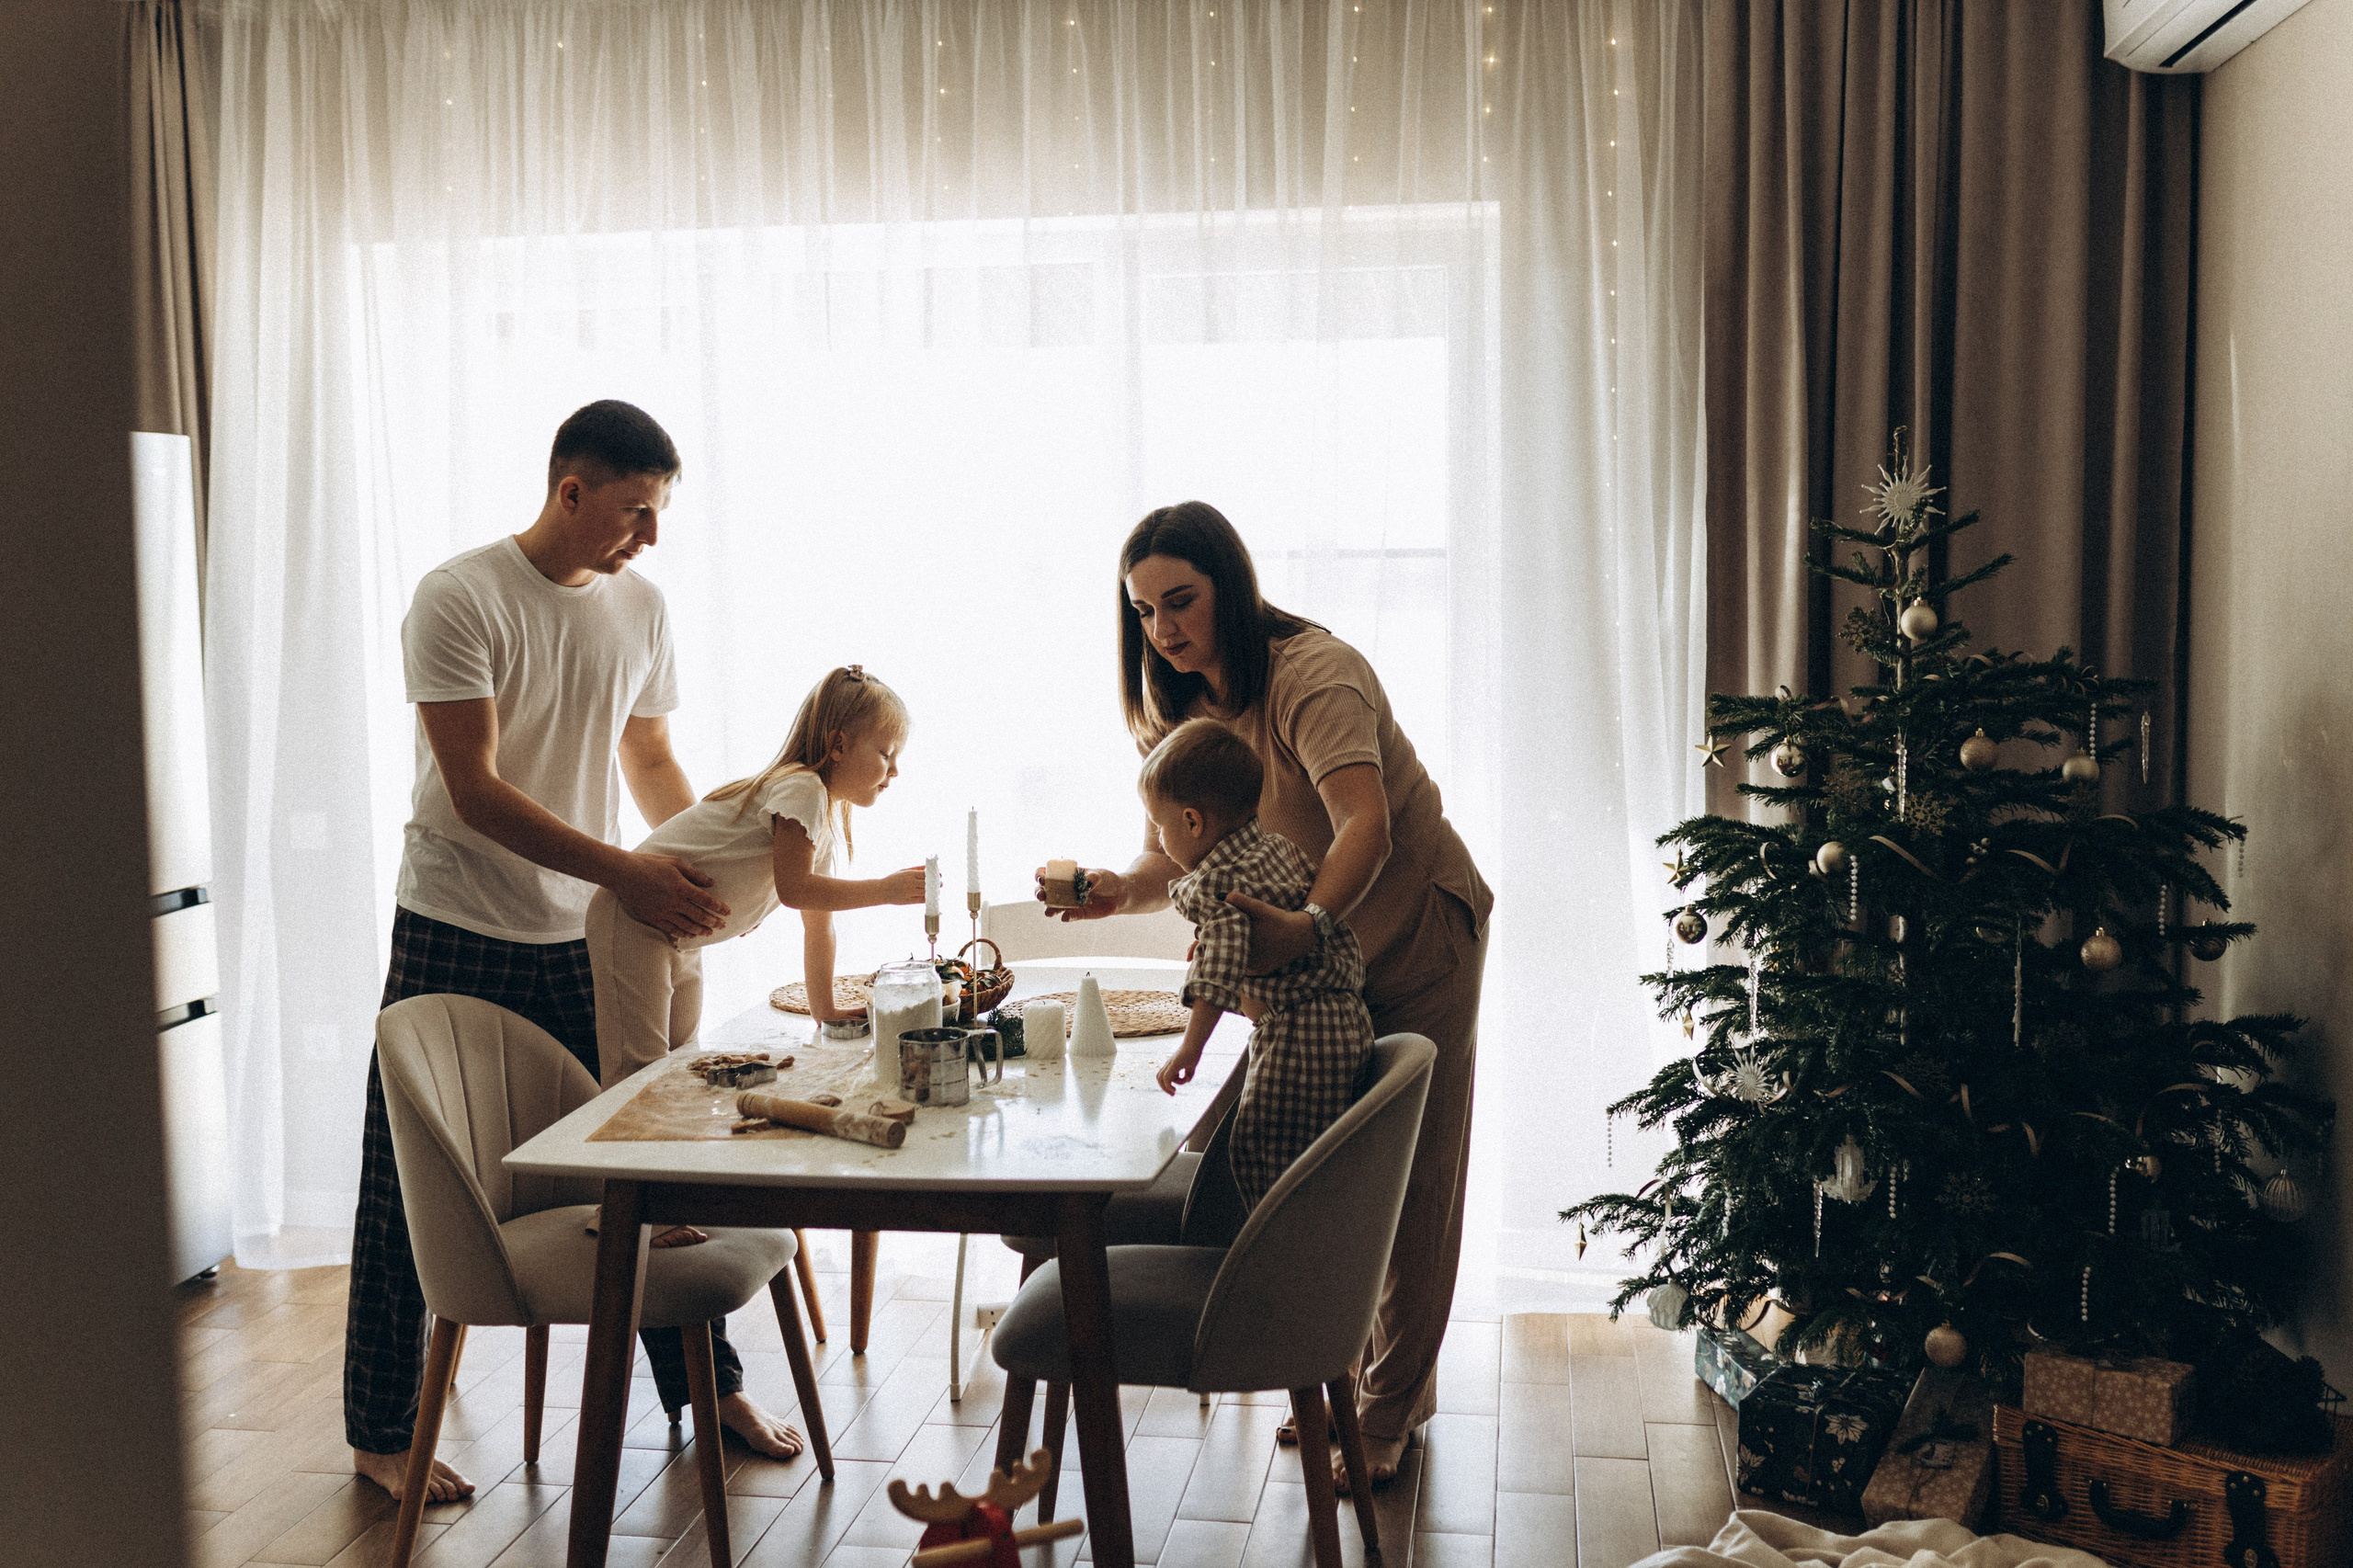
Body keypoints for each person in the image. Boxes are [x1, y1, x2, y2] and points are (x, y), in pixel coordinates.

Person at [347, 401, 800, 1504]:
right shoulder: (461, 596)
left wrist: (701, 871)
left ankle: (709, 1391)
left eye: (660, 513)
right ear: (571, 491)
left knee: (647, 1164)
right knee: (411, 1183)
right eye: (636, 511)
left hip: (591, 925)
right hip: (457, 919)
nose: (649, 536)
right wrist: (627, 873)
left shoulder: (641, 606)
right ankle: (379, 1429)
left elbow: (648, 756)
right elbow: (476, 790)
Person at [1048, 500, 1492, 1491]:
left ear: (1232, 589)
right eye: (1144, 611)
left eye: (1181, 601)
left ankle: (1384, 1411)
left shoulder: (1312, 674)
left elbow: (1363, 824)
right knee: (1319, 1172)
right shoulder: (1183, 699)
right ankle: (1343, 1377)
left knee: (1407, 1177)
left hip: (1416, 928)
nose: (1162, 628)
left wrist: (1312, 927)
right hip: (1318, 961)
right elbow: (1193, 842)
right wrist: (1120, 888)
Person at [585, 665, 926, 1114]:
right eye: (886, 753)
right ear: (838, 745)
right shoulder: (802, 787)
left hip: (682, 935)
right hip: (633, 918)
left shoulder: (821, 813)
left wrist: (824, 1010)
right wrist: (885, 890)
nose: (895, 770)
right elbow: (796, 890)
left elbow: (818, 927)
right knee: (638, 1077)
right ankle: (625, 1179)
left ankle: (668, 1172)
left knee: (677, 1067)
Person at [1145, 719, 1375, 1213]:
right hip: (1349, 1021)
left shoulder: (1220, 883)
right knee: (1322, 1161)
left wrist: (1189, 1048)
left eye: (1160, 828)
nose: (1160, 843)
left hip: (1298, 1034)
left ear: (1191, 822)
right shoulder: (1275, 848)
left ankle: (1274, 1267)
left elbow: (1215, 975)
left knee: (1262, 1153)